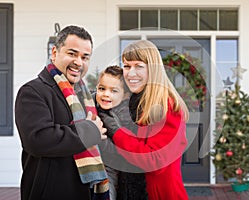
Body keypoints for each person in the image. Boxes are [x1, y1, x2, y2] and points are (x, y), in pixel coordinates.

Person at [15, 25, 109, 200]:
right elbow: (37, 140)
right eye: (72, 54)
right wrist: (89, 131)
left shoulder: (85, 96)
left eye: (85, 57)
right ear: (54, 53)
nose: (79, 62)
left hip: (87, 192)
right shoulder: (33, 91)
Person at [99, 40, 189, 200]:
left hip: (159, 194)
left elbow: (153, 161)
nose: (131, 73)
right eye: (126, 66)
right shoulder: (132, 101)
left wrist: (116, 130)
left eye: (138, 66)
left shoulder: (168, 107)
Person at [94, 65, 147, 200]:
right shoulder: (93, 107)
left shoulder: (126, 117)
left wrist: (98, 138)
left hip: (114, 170)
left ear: (125, 96)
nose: (106, 94)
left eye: (113, 91)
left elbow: (119, 152)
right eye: (102, 88)